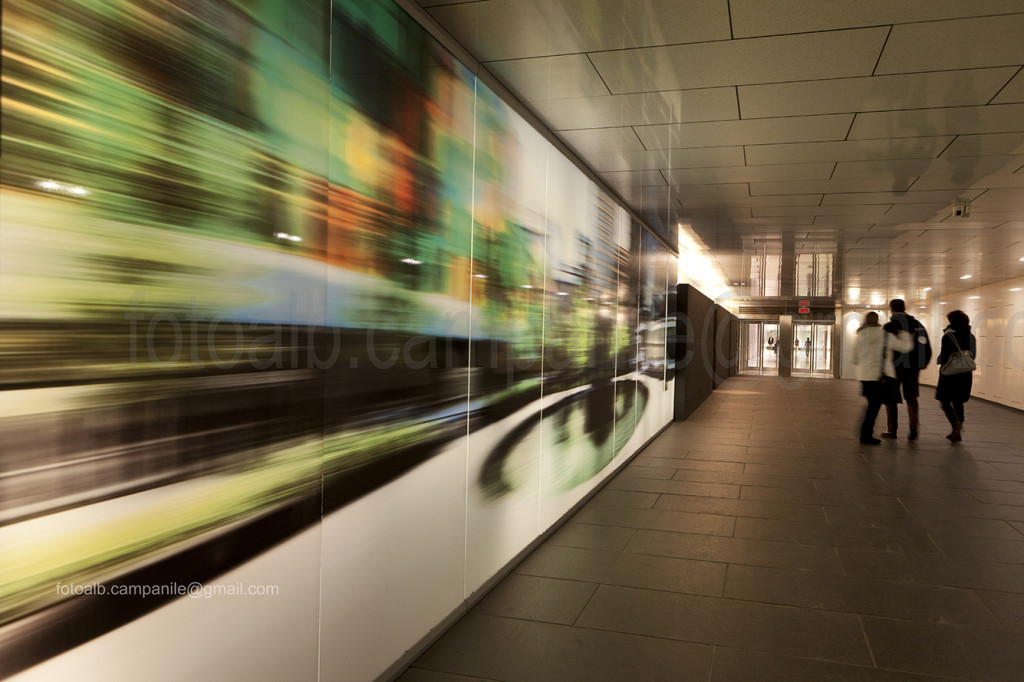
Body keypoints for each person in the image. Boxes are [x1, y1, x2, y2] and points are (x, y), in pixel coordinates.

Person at [852, 312, 913, 444]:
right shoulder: (885, 335)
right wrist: (904, 334)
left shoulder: (859, 337)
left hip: (865, 376)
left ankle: (866, 433)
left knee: (873, 405)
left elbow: (854, 358)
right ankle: (865, 434)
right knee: (874, 406)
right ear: (877, 320)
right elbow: (906, 347)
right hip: (880, 377)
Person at [881, 299, 931, 441]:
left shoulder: (889, 327)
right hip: (912, 369)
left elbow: (883, 348)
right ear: (904, 307)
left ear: (891, 309)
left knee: (891, 399)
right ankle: (913, 428)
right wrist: (921, 365)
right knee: (912, 399)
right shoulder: (917, 325)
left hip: (893, 368)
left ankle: (892, 430)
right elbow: (925, 346)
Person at [936, 309, 976, 443]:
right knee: (958, 402)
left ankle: (955, 426)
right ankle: (957, 429)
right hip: (965, 373)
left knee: (945, 401)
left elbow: (944, 356)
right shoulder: (971, 336)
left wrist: (940, 361)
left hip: (950, 374)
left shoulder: (948, 336)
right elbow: (972, 355)